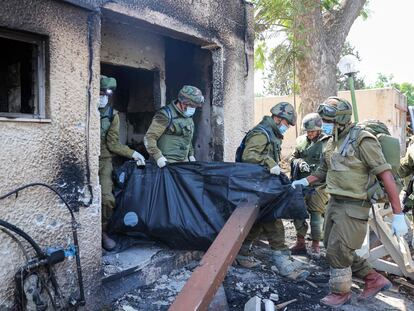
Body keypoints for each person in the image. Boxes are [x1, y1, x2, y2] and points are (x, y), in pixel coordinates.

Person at [292, 97, 408, 307]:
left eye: (329, 120)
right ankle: (373, 278)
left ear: (341, 118)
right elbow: (323, 171)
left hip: (354, 204)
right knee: (332, 246)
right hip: (334, 201)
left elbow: (385, 174)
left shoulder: (362, 140)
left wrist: (398, 214)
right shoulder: (332, 141)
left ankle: (341, 292)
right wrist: (302, 181)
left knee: (339, 250)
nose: (325, 124)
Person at [237, 102, 309, 281]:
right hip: (255, 186)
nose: (287, 128)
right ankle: (284, 263)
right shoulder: (261, 134)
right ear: (277, 118)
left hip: (263, 186)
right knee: (274, 222)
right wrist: (270, 163)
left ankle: (242, 254)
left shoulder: (271, 134)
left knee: (259, 221)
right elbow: (248, 156)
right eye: (286, 124)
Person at [99, 75, 146, 251]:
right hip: (82, 159)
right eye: (99, 93)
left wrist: (133, 153)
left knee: (107, 199)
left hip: (103, 160)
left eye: (106, 94)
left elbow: (112, 143)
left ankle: (102, 233)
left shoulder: (112, 115)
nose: (102, 97)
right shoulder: (80, 107)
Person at [289, 113, 330, 256]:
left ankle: (316, 245)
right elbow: (293, 157)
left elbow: (328, 166)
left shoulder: (327, 143)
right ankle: (300, 243)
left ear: (319, 130)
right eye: (307, 131)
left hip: (319, 185)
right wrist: (299, 162)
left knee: (316, 215)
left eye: (312, 131)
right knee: (298, 213)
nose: (310, 134)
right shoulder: (301, 141)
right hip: (301, 184)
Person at [144, 85, 204, 167]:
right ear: (184, 103)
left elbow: (187, 137)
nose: (194, 109)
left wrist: (191, 154)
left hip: (183, 162)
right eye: (192, 106)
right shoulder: (165, 115)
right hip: (166, 164)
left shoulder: (188, 115)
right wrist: (158, 157)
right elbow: (149, 138)